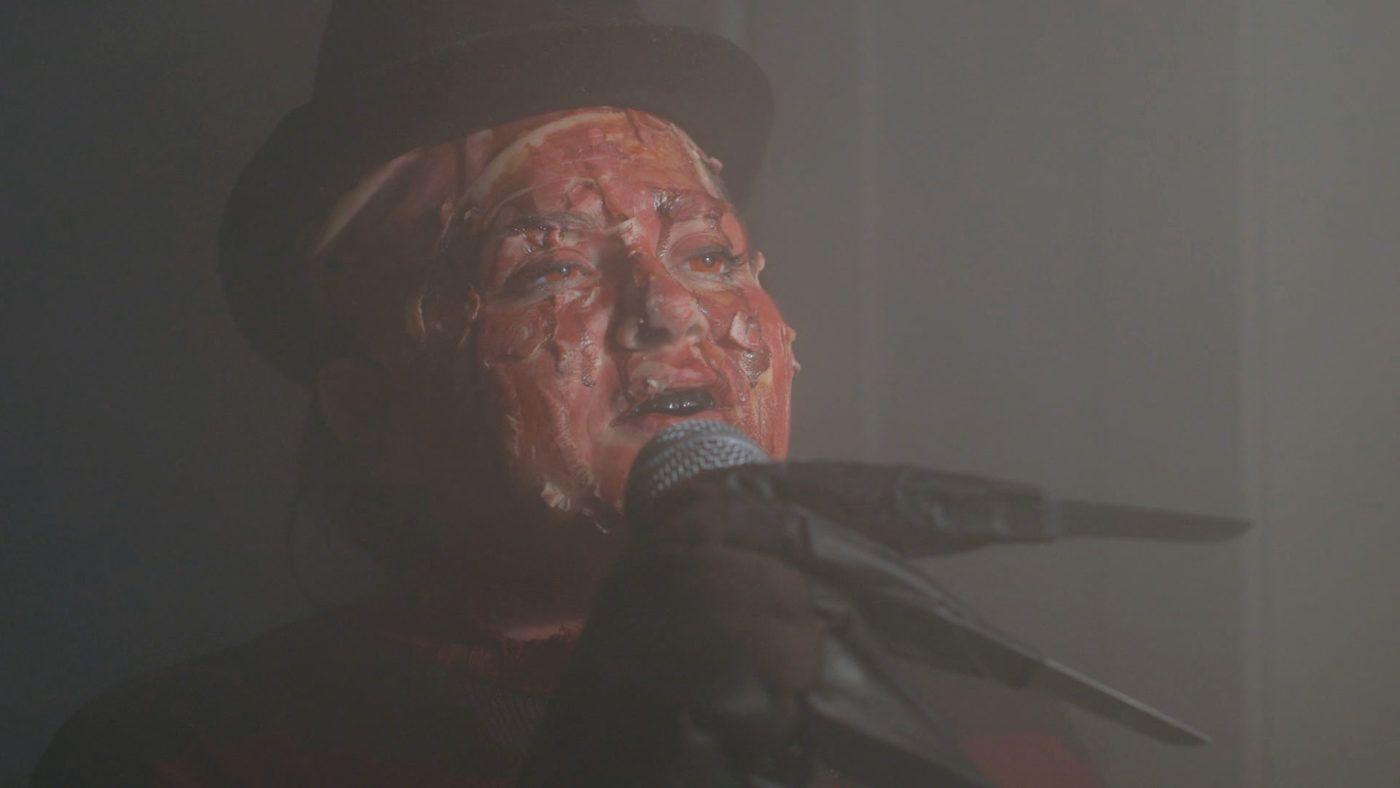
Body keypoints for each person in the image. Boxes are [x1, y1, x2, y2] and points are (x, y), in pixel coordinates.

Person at [33, 1, 1100, 785]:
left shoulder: (988, 724)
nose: (667, 309)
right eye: (545, 269)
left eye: (710, 256)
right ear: (372, 416)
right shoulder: (192, 756)